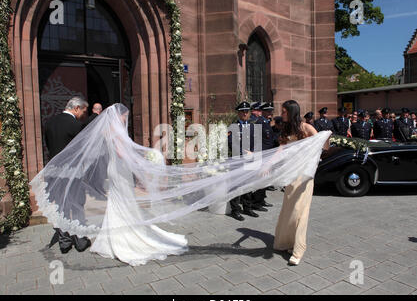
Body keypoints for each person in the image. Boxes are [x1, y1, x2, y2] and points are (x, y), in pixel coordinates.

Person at [31, 104, 331, 266]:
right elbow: (126, 152)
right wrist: (147, 159)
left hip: (117, 173)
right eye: (123, 117)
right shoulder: (115, 135)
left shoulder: (303, 127)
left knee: (121, 206)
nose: (124, 120)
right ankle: (121, 239)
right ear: (116, 119)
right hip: (120, 173)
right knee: (122, 205)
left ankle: (113, 237)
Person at [273, 100, 329, 266]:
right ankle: (288, 243)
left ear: (292, 112)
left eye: (284, 111)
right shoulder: (286, 129)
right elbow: (280, 150)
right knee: (289, 210)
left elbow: (324, 147)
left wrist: (326, 137)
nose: (281, 114)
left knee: (300, 211)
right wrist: (267, 165)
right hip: (291, 175)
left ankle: (298, 249)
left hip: (304, 175)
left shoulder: (306, 128)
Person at [44, 96, 91, 254]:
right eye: (83, 111)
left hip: (54, 173)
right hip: (73, 173)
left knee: (60, 206)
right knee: (76, 205)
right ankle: (80, 241)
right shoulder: (76, 125)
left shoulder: (50, 123)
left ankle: (64, 242)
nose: (84, 115)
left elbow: (50, 146)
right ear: (76, 108)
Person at [227, 101, 260, 221]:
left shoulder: (252, 126)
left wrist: (254, 153)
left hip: (250, 160)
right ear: (238, 113)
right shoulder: (232, 127)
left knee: (248, 184)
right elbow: (231, 143)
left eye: (247, 111)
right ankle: (235, 210)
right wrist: (245, 153)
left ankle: (247, 207)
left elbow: (256, 142)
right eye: (243, 112)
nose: (245, 114)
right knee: (236, 185)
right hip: (238, 160)